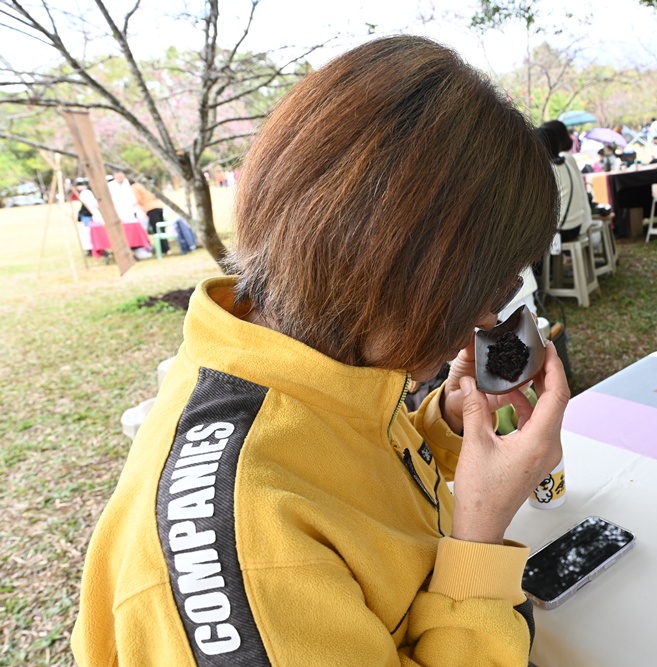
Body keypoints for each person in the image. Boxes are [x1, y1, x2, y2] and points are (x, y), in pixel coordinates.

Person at [71, 35, 569, 667]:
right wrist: (478, 537)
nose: (488, 320)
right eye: (484, 290)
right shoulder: (248, 546)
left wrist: (441, 427)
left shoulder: (304, 357)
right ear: (392, 271)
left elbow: (346, 465)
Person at [536, 120, 591, 243]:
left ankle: (548, 262)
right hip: (577, 222)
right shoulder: (564, 161)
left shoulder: (552, 167)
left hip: (565, 228)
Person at [132, 179, 170, 255]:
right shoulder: (145, 184)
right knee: (161, 229)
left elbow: (138, 199)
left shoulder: (135, 187)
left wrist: (136, 205)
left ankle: (165, 249)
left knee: (157, 230)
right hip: (159, 206)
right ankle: (166, 248)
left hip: (150, 208)